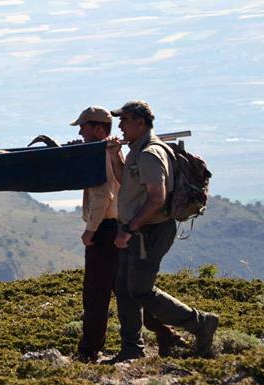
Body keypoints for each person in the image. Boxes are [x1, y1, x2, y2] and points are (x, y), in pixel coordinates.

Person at [70, 106, 183, 363]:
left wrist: (90, 230)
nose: (80, 131)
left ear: (99, 129)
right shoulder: (115, 151)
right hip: (117, 227)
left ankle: (89, 350)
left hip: (106, 229)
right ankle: (164, 332)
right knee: (126, 290)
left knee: (96, 293)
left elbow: (103, 195)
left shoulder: (102, 155)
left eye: (84, 127)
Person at [108, 100, 218, 362]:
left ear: (141, 123)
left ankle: (200, 323)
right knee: (124, 287)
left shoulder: (150, 153)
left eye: (125, 120)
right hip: (138, 229)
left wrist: (130, 229)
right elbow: (128, 182)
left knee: (141, 291)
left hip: (149, 231)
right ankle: (131, 348)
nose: (120, 125)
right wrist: (115, 156)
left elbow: (156, 198)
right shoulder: (138, 150)